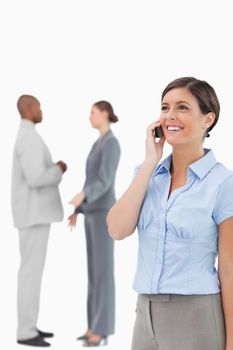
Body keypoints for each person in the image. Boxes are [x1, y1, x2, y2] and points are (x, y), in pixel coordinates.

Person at [107, 77, 233, 350]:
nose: (170, 115)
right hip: (145, 313)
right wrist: (151, 161)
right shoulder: (147, 174)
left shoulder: (223, 182)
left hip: (196, 314)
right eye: (165, 107)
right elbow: (117, 230)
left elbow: (229, 268)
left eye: (183, 107)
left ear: (207, 119)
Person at [11, 95, 67, 347]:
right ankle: (25, 331)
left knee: (31, 273)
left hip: (32, 214)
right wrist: (59, 169)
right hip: (34, 215)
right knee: (30, 275)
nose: (41, 110)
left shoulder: (27, 136)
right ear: (29, 108)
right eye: (39, 107)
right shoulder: (29, 138)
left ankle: (29, 326)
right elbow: (36, 178)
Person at [68, 101, 121, 347]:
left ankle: (102, 329)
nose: (89, 116)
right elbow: (91, 179)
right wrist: (79, 208)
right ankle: (93, 326)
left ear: (103, 113)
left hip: (103, 214)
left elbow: (104, 180)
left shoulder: (111, 143)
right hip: (91, 213)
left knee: (103, 273)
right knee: (93, 273)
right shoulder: (97, 143)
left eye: (92, 112)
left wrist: (84, 196)